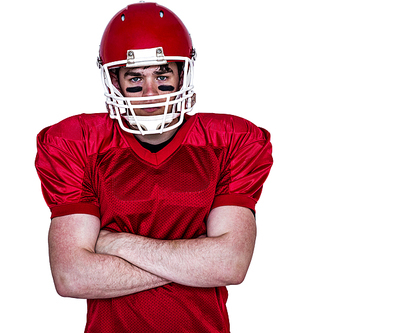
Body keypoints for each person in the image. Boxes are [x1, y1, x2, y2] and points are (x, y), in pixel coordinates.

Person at [35, 2, 273, 332]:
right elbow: (71, 276)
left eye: (162, 75)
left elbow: (230, 265)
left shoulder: (229, 141)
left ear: (181, 73)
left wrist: (115, 243)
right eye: (136, 77)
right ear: (114, 81)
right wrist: (196, 263)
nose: (150, 93)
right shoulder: (79, 143)